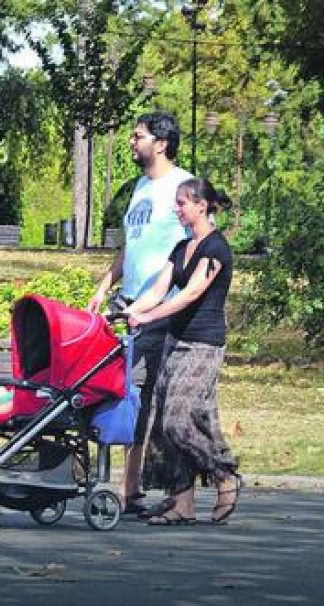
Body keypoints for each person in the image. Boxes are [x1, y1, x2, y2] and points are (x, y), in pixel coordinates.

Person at [86, 111, 193, 517]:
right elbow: (132, 245)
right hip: (125, 302)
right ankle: (128, 489)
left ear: (161, 143)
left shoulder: (181, 186)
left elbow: (197, 244)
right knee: (120, 390)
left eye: (139, 136)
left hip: (157, 310)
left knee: (139, 393)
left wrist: (169, 300)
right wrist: (104, 285)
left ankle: (130, 488)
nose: (132, 142)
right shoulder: (141, 188)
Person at [124, 177, 240, 526]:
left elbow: (189, 295)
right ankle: (183, 504)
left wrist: (147, 317)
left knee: (178, 419)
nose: (177, 209)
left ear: (201, 205)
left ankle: (225, 476)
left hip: (203, 344)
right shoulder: (181, 248)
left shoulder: (216, 249)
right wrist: (131, 311)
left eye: (182, 203)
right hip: (175, 341)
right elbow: (159, 289)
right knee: (162, 425)